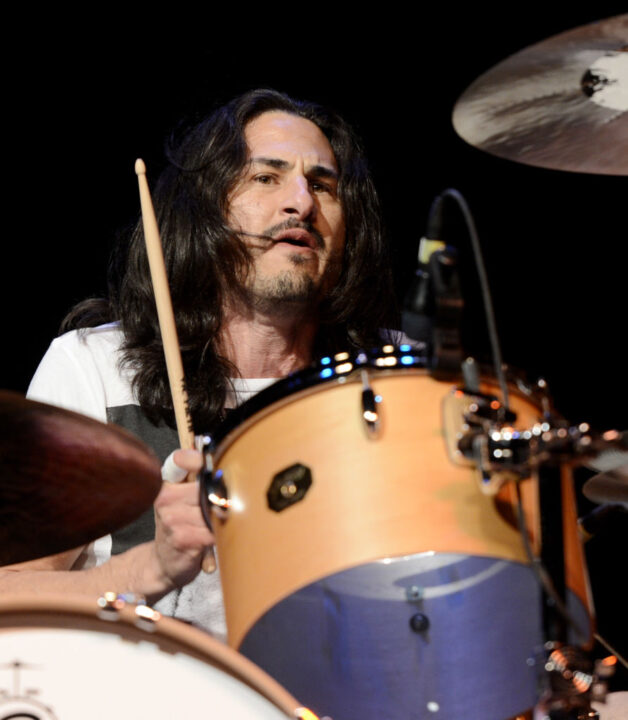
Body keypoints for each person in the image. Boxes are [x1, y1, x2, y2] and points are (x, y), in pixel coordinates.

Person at [0, 88, 400, 639]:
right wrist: (151, 568)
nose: (301, 203)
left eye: (323, 185)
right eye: (267, 177)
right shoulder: (95, 367)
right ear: (206, 209)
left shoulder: (392, 374)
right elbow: (9, 590)